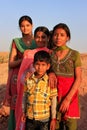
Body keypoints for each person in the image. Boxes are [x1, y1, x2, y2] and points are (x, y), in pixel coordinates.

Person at [15, 26, 57, 130]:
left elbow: (54, 70)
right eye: (37, 37)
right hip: (30, 92)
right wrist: (28, 77)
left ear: (48, 38)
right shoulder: (29, 53)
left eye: (43, 37)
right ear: (34, 38)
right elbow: (22, 73)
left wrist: (51, 73)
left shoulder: (51, 53)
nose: (40, 39)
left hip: (45, 97)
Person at [0, 15, 37, 130]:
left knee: (33, 105)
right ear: (19, 27)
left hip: (35, 77)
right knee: (17, 106)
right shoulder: (16, 42)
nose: (25, 28)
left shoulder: (38, 40)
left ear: (32, 25)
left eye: (27, 25)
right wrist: (25, 59)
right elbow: (11, 64)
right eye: (22, 26)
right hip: (18, 79)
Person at [50, 23, 82, 130]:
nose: (58, 37)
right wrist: (50, 72)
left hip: (70, 96)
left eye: (62, 35)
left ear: (67, 37)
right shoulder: (50, 54)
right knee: (55, 125)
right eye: (55, 34)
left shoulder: (74, 54)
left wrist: (68, 99)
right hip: (54, 96)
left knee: (70, 126)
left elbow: (78, 78)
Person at [21, 50, 57, 130]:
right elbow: (25, 96)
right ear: (33, 65)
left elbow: (53, 100)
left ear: (48, 66)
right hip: (30, 118)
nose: (40, 68)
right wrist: (24, 112)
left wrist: (53, 118)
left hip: (44, 119)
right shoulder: (29, 79)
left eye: (43, 65)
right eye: (37, 64)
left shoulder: (50, 81)